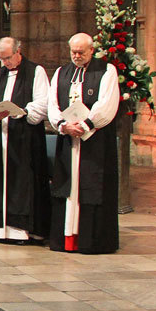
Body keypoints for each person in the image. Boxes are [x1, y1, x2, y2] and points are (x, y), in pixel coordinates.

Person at [47, 32, 120, 254]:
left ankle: (91, 241)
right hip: (68, 139)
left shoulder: (106, 71)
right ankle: (66, 239)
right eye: (73, 52)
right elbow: (53, 104)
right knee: (67, 187)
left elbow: (107, 103)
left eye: (81, 52)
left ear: (91, 50)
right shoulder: (61, 72)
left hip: (94, 141)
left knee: (93, 186)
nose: (76, 56)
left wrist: (86, 124)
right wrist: (62, 125)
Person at [0, 37, 51, 242]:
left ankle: (21, 229)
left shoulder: (35, 71)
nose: (5, 63)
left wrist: (24, 111)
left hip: (26, 135)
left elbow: (43, 101)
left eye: (8, 58)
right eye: (1, 59)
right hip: (0, 134)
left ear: (19, 51)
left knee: (22, 180)